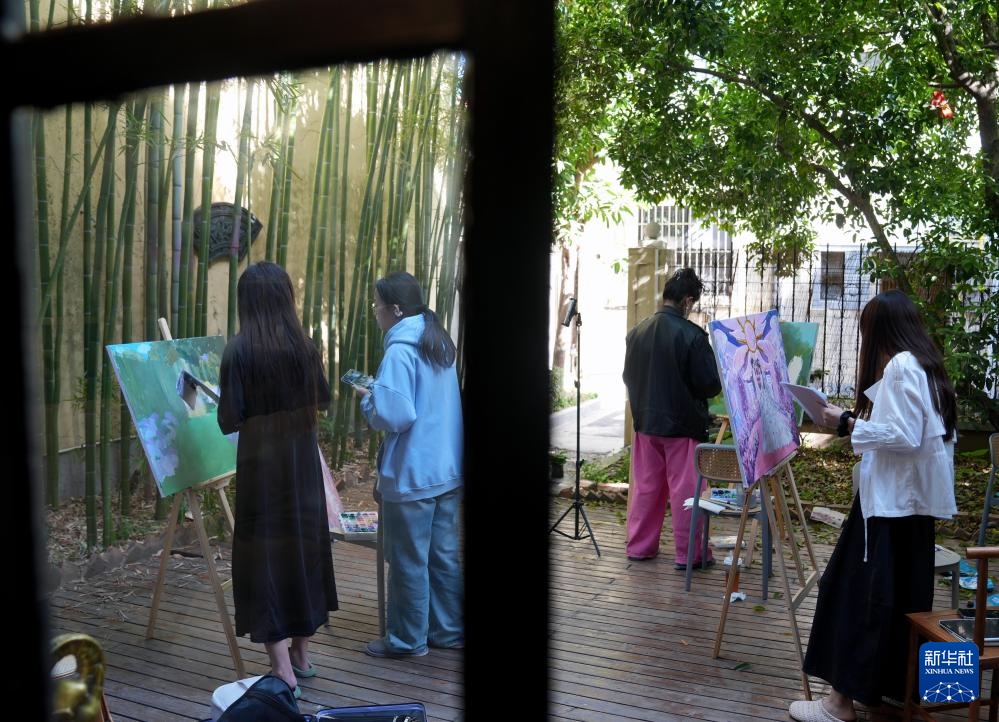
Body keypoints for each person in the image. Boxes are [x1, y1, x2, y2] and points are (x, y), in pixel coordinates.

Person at [788, 289, 958, 722]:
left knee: (854, 596)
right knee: (896, 600)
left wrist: (845, 422)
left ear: (880, 331)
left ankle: (839, 702)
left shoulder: (902, 366)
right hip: (911, 508)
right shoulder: (928, 366)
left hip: (890, 506)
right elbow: (911, 432)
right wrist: (854, 420)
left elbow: (903, 436)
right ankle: (881, 694)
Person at [217, 261, 338, 698]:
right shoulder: (305, 347)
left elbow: (229, 419)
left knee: (265, 560)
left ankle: (283, 670)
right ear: (286, 299)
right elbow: (322, 398)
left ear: (246, 302)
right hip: (301, 466)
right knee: (304, 552)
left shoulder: (238, 351)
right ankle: (302, 656)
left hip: (261, 474)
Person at [354, 271, 464, 658]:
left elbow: (397, 415)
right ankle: (448, 631)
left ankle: (406, 640)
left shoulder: (400, 350)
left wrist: (369, 398)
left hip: (413, 474)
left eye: (377, 306)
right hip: (446, 470)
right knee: (443, 557)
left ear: (396, 309)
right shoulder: (438, 341)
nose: (376, 313)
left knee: (408, 561)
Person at [622, 267, 722, 568]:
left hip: (646, 424)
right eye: (693, 303)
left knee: (646, 488)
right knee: (686, 493)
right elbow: (709, 384)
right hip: (682, 427)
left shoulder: (636, 332)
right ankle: (691, 555)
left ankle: (640, 547)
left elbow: (628, 377)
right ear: (688, 301)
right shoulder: (693, 335)